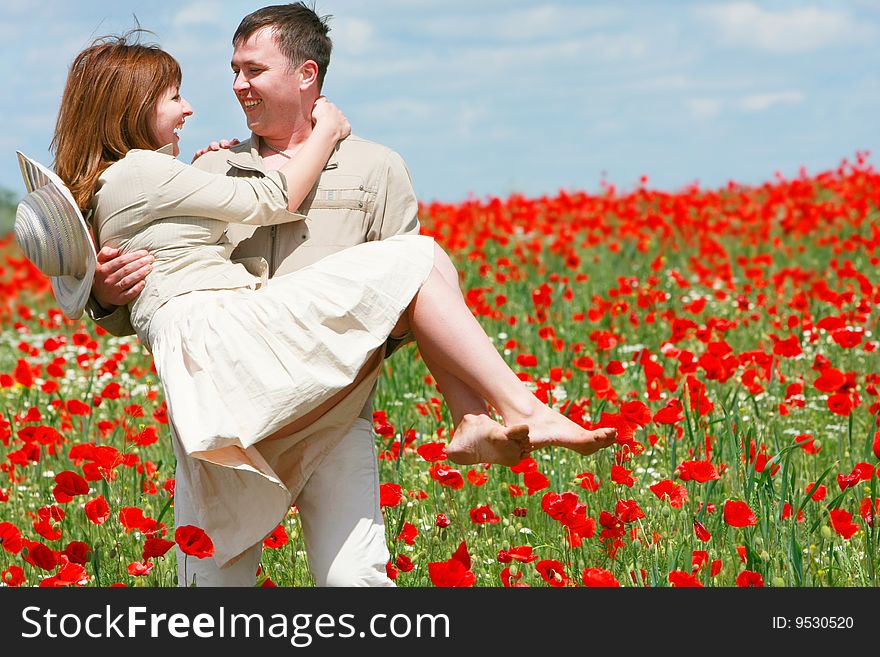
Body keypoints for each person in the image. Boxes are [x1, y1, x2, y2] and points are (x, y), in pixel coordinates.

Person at [76, 8, 616, 589]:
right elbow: (167, 277)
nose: (237, 86)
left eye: (252, 70)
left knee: (353, 583)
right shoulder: (211, 164)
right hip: (237, 414)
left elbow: (415, 301)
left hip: (334, 410)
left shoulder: (376, 168)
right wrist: (103, 295)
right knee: (211, 591)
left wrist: (339, 349)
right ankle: (493, 412)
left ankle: (481, 415)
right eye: (233, 69)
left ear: (306, 74)